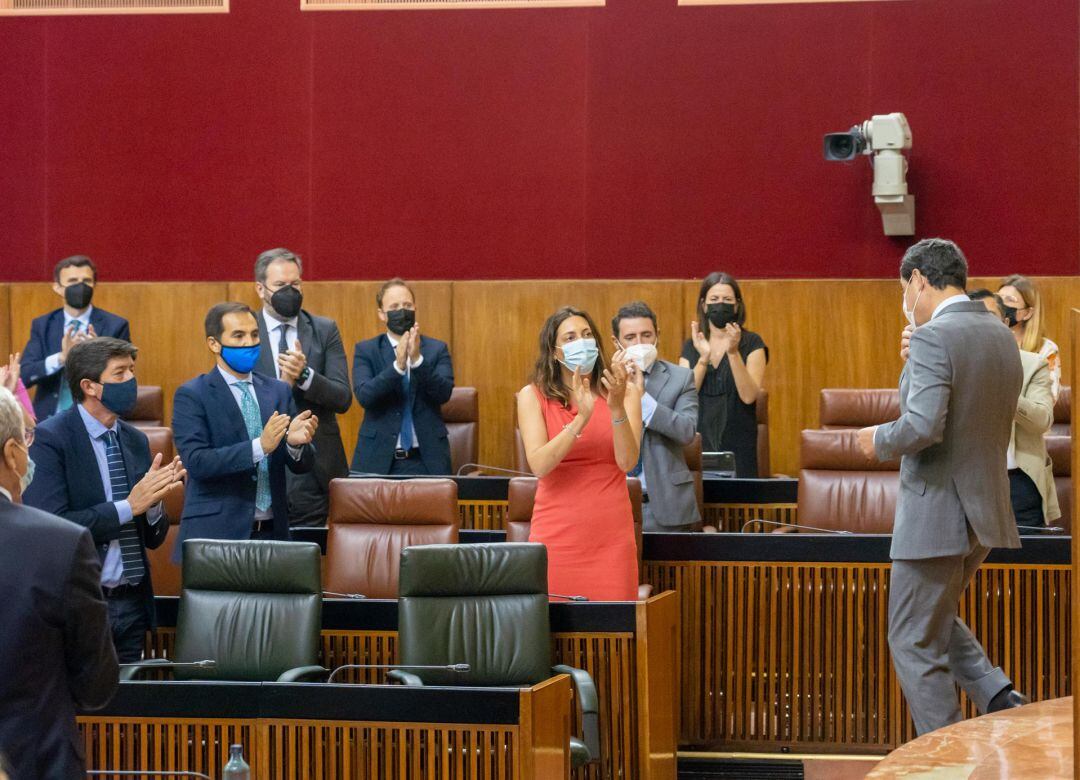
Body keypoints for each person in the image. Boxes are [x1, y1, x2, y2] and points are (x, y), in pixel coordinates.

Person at [855, 238, 1027, 736]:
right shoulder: (999, 334)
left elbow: (923, 426)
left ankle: (945, 753)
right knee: (932, 615)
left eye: (901, 289)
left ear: (917, 281)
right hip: (984, 511)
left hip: (936, 510)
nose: (903, 301)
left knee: (910, 638)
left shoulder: (934, 337)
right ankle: (997, 693)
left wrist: (875, 440)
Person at [23, 339, 185, 663]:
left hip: (133, 602)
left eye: (132, 371)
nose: (131, 381)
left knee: (130, 710)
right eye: (121, 373)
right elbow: (56, 527)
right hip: (80, 601)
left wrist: (154, 504)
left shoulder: (136, 441)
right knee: (85, 711)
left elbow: (152, 540)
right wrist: (130, 506)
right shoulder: (52, 440)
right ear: (89, 386)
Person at [0, 386, 119, 780]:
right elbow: (96, 686)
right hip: (36, 762)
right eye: (28, 439)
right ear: (12, 454)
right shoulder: (61, 543)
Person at [172, 303, 318, 557]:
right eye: (238, 336)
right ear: (214, 344)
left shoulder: (278, 390)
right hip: (215, 535)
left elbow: (300, 464)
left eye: (254, 334)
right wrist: (260, 446)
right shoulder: (193, 394)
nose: (249, 343)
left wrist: (295, 445)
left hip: (274, 532)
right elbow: (196, 462)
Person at [517, 306, 642, 601]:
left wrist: (615, 407)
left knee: (613, 634)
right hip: (558, 536)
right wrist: (580, 419)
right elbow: (539, 465)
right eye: (570, 337)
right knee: (556, 636)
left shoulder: (625, 392)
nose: (581, 342)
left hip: (611, 538)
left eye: (587, 335)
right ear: (553, 350)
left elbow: (627, 462)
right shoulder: (532, 396)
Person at [252, 248, 352, 526]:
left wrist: (305, 375)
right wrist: (283, 383)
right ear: (260, 289)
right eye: (281, 286)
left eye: (295, 284)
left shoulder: (323, 329)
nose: (290, 291)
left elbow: (343, 397)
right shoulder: (245, 332)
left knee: (314, 558)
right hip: (262, 467)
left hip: (315, 470)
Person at [969, 290, 1059, 529]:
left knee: (1026, 563)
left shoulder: (1032, 364)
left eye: (989, 317)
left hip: (1019, 481)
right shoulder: (949, 364)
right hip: (969, 481)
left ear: (1006, 323)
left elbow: (1043, 420)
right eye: (973, 318)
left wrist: (1006, 393)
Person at [611, 301, 700, 531]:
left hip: (665, 504)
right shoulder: (602, 383)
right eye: (630, 337)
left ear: (657, 336)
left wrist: (642, 400)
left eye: (646, 335)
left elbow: (686, 431)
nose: (639, 343)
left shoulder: (681, 378)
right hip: (612, 502)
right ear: (616, 342)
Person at [351, 279, 455, 475]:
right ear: (382, 314)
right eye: (394, 306)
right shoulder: (367, 350)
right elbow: (365, 396)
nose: (402, 311)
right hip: (378, 460)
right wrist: (397, 367)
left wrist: (416, 360)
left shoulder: (436, 349)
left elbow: (444, 393)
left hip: (427, 461)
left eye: (407, 305)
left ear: (415, 307)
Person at [20, 255, 131, 420]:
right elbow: (25, 375)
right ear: (57, 287)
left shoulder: (115, 325)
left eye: (86, 281)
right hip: (49, 420)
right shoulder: (43, 325)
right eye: (72, 281)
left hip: (98, 418)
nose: (80, 286)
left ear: (94, 285)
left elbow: (123, 382)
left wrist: (98, 358)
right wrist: (62, 358)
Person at [678, 272, 768, 477]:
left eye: (727, 300)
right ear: (704, 305)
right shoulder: (692, 346)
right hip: (697, 445)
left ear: (737, 305)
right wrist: (703, 358)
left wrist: (733, 353)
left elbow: (748, 395)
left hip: (739, 448)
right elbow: (684, 396)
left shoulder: (753, 343)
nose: (721, 305)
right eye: (714, 299)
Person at [997, 274, 1060, 400]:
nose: (1001, 305)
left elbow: (1050, 397)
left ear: (1028, 312)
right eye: (998, 298)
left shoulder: (1047, 349)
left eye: (1010, 299)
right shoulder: (986, 341)